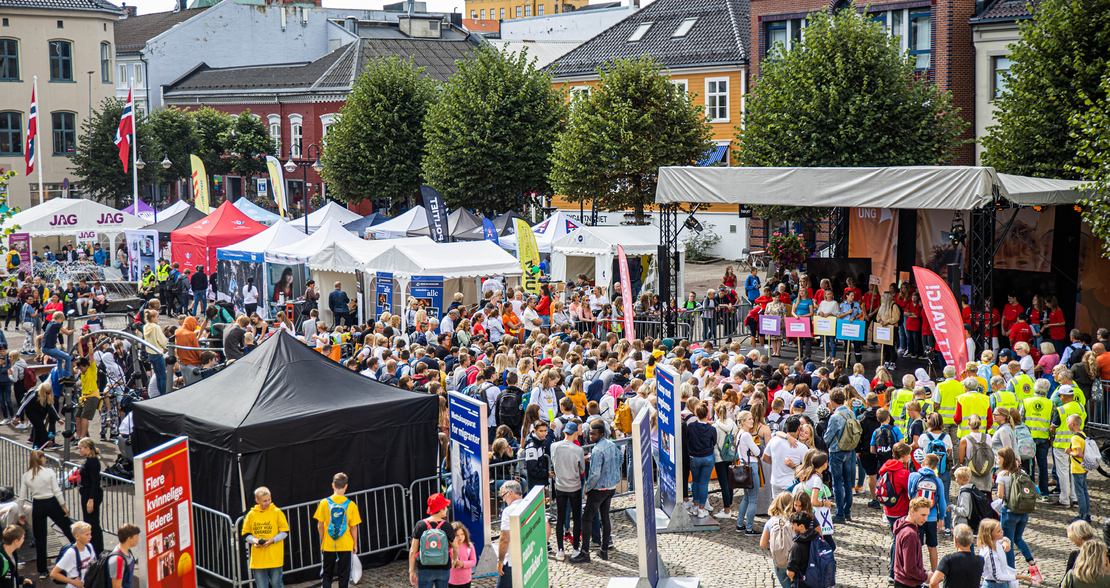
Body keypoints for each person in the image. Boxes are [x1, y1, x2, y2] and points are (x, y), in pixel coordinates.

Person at [570, 420, 619, 564]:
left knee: (587, 518)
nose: (591, 436)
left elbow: (595, 474)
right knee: (605, 517)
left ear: (601, 434)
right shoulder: (612, 444)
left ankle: (585, 552)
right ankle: (603, 550)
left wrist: (587, 488)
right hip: (610, 488)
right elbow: (620, 459)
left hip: (599, 489)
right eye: (590, 433)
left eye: (594, 434)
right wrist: (613, 476)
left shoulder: (597, 450)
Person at [20, 449, 75, 575]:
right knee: (68, 528)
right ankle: (80, 554)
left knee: (40, 538)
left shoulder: (26, 475)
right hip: (51, 503)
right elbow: (57, 491)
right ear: (42, 459)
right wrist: (64, 507)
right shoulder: (49, 472)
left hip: (38, 505)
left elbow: (22, 497)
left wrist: (20, 513)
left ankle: (42, 570)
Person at [314, 473, 361, 588]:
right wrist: (355, 543)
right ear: (346, 486)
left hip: (329, 544)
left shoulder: (324, 503)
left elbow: (320, 525)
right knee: (344, 575)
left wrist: (323, 539)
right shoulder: (351, 505)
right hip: (345, 544)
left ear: (332, 485)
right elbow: (354, 527)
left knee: (327, 574)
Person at [822, 388, 859, 523]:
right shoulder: (850, 413)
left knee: (837, 484)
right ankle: (847, 511)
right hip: (849, 450)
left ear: (832, 401)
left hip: (837, 451)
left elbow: (827, 437)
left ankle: (840, 513)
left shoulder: (835, 417)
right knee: (848, 482)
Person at [242, 487, 289, 588]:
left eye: (269, 499)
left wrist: (273, 540)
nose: (267, 503)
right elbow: (245, 534)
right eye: (264, 501)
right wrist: (254, 540)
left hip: (274, 557)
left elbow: (285, 532)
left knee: (277, 584)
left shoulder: (277, 512)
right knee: (261, 586)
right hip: (258, 559)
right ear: (257, 501)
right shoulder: (251, 514)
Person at [907, 453, 947, 571]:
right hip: (932, 517)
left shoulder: (913, 476)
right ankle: (934, 572)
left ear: (923, 462)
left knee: (916, 546)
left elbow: (909, 494)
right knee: (932, 547)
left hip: (916, 517)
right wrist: (941, 517)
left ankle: (918, 570)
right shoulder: (938, 481)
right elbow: (942, 501)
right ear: (936, 467)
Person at [408, 492, 457, 588]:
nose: (447, 509)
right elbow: (455, 547)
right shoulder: (447, 526)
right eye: (446, 507)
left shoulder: (420, 525)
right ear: (441, 509)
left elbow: (413, 551)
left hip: (425, 567)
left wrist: (412, 570)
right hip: (443, 567)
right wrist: (455, 559)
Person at [551, 420, 584, 561]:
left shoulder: (554, 446)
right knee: (576, 518)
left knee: (560, 519)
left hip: (560, 486)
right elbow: (582, 469)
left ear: (564, 432)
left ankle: (560, 550)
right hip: (574, 486)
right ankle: (576, 548)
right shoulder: (578, 450)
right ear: (575, 433)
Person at [1051, 386, 1085, 508]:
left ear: (1063, 396)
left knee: (1063, 472)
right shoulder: (1081, 407)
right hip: (1077, 444)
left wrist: (1051, 434)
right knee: (1074, 471)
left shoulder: (1061, 410)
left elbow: (1053, 427)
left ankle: (1064, 499)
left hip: (1061, 445)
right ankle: (1075, 498)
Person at [977, 518, 1032, 587]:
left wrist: (1004, 541)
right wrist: (1021, 576)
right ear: (990, 535)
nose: (1002, 531)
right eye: (998, 531)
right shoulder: (991, 554)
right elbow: (998, 577)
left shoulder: (994, 542)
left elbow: (1002, 539)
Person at [734, 409, 763, 533]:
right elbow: (757, 452)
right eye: (749, 419)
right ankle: (749, 528)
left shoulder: (739, 433)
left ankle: (740, 524)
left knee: (746, 497)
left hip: (743, 465)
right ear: (743, 422)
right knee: (752, 499)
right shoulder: (746, 434)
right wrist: (756, 449)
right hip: (751, 466)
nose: (752, 421)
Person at [928, 524, 983, 588]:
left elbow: (933, 582)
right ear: (972, 540)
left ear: (955, 539)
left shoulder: (948, 560)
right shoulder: (980, 560)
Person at [764, 415, 808, 496]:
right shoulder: (802, 447)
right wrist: (794, 467)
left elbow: (765, 457)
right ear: (798, 428)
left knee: (777, 507)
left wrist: (777, 463)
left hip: (775, 482)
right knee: (790, 507)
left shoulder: (774, 440)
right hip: (790, 484)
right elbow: (807, 468)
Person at [894, 497, 932, 588]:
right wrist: (925, 576)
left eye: (927, 515)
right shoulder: (910, 534)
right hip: (907, 584)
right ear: (912, 511)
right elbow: (909, 568)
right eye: (923, 515)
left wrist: (924, 571)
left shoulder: (903, 525)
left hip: (902, 581)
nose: (926, 519)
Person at [760, 492, 796, 588]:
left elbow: (763, 544)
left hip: (779, 562)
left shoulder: (770, 522)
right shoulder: (794, 520)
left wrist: (777, 542)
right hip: (794, 560)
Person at [76, 438, 104, 553]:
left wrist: (91, 500)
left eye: (80, 448)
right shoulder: (89, 459)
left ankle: (97, 550)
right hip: (86, 494)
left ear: (87, 448)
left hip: (90, 495)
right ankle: (93, 548)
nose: (79, 450)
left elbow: (95, 482)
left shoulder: (92, 462)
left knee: (92, 525)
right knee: (90, 523)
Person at [49, 522, 96, 587]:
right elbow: (53, 574)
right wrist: (72, 581)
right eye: (87, 534)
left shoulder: (89, 547)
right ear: (77, 536)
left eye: (90, 534)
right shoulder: (71, 553)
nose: (90, 537)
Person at [1064, 413, 1092, 523]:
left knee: (1079, 492)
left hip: (1077, 468)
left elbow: (1079, 454)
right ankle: (1087, 514)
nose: (1066, 425)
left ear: (1072, 424)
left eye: (1067, 423)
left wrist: (1069, 451)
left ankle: (1082, 515)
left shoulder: (1075, 438)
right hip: (1083, 468)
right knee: (1084, 491)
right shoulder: (1082, 434)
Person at [496, 481, 522, 588]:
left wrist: (500, 560)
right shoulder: (531, 504)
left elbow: (505, 539)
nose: (503, 500)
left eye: (503, 496)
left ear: (510, 494)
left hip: (512, 560)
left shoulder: (508, 511)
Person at [785, 511, 819, 586]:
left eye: (793, 524)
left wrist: (792, 580)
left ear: (802, 526)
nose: (792, 527)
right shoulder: (817, 540)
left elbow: (790, 572)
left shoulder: (797, 546)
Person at [41, 311, 74, 378]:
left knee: (60, 359)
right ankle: (67, 376)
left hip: (45, 347)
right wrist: (74, 329)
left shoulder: (51, 323)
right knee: (68, 358)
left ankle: (60, 377)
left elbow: (61, 332)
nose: (61, 322)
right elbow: (67, 333)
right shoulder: (57, 324)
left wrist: (67, 325)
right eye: (62, 321)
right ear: (59, 318)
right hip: (50, 348)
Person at [108, 523, 140, 588]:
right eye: (136, 536)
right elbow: (117, 586)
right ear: (129, 539)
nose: (138, 538)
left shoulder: (128, 551)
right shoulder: (117, 560)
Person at [448, 522, 476, 588]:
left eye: (462, 534)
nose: (460, 537)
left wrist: (463, 564)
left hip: (466, 580)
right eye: (457, 535)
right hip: (452, 580)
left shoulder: (469, 546)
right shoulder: (449, 547)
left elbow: (473, 561)